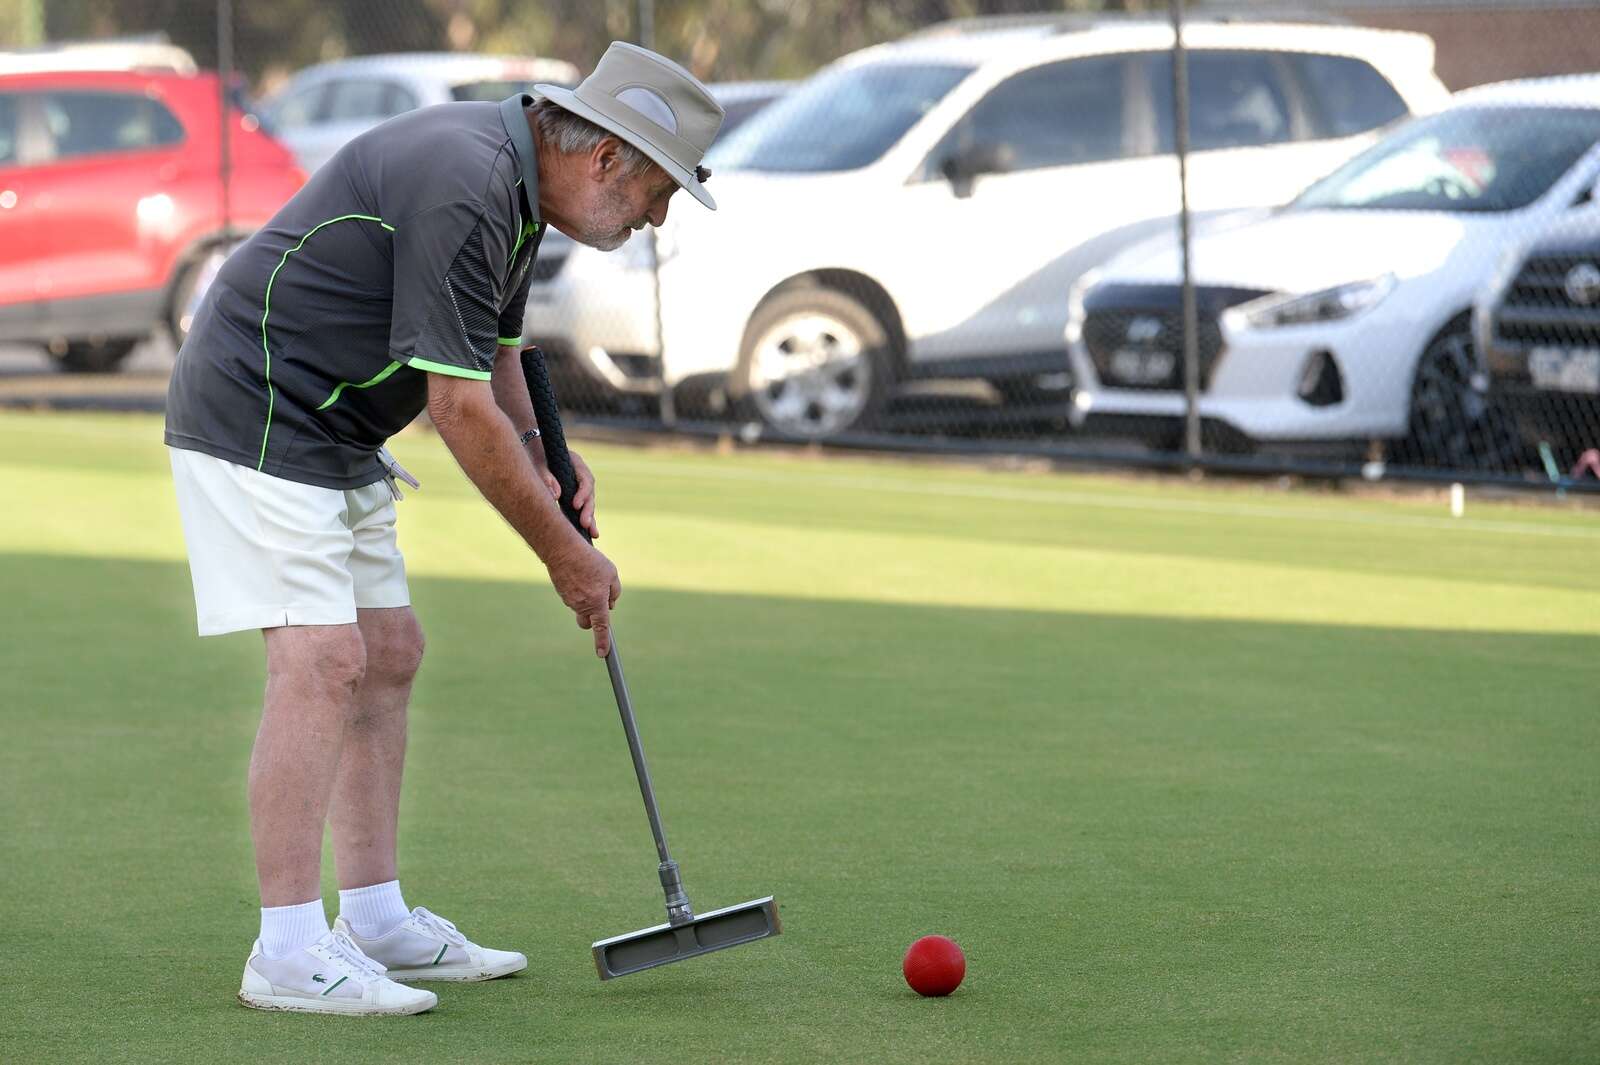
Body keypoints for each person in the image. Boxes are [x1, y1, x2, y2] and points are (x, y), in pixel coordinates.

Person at [163, 42, 724, 1015]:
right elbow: (457, 409)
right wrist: (568, 556)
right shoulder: (470, 182)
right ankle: (287, 948)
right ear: (604, 161)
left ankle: (374, 919)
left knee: (388, 649)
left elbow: (498, 359)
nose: (652, 221)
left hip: (333, 424)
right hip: (258, 408)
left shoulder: (514, 188)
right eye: (657, 195)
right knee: (322, 657)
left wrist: (548, 460)